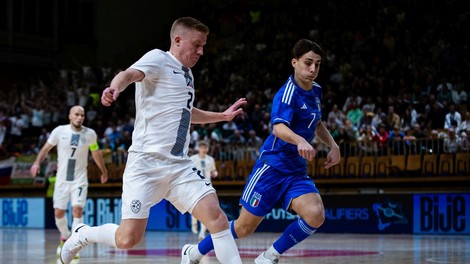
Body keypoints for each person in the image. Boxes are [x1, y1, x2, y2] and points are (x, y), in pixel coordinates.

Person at [60, 17, 246, 264]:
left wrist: (221, 116)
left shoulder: (188, 74)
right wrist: (115, 87)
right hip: (145, 165)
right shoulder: (158, 58)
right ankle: (84, 234)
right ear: (178, 40)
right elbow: (128, 74)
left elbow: (187, 112)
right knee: (127, 239)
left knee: (218, 220)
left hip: (179, 166)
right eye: (197, 45)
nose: (202, 51)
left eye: (203, 46)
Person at [181, 39, 341, 264]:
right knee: (243, 228)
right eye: (308, 63)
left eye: (317, 64)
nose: (313, 69)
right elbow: (278, 127)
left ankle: (268, 257)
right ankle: (194, 252)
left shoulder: (316, 91)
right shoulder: (287, 93)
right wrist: (299, 141)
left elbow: (317, 123)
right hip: (271, 167)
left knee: (316, 214)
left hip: (295, 171)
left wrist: (332, 145)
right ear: (294, 63)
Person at [30, 105, 108, 256]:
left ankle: (74, 246)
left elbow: (96, 152)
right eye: (77, 115)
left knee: (77, 209)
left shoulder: (90, 134)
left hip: (80, 180)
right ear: (70, 116)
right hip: (62, 180)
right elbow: (46, 148)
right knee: (58, 213)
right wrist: (36, 162)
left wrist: (103, 171)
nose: (80, 118)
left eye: (82, 115)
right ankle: (65, 237)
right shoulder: (59, 131)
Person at [190, 140, 218, 240]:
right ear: (199, 148)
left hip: (206, 187)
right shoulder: (193, 159)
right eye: (202, 148)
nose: (204, 150)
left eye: (206, 148)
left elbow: (214, 171)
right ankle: (193, 222)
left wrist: (215, 173)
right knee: (194, 207)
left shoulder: (210, 159)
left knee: (207, 210)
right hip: (195, 186)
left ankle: (202, 233)